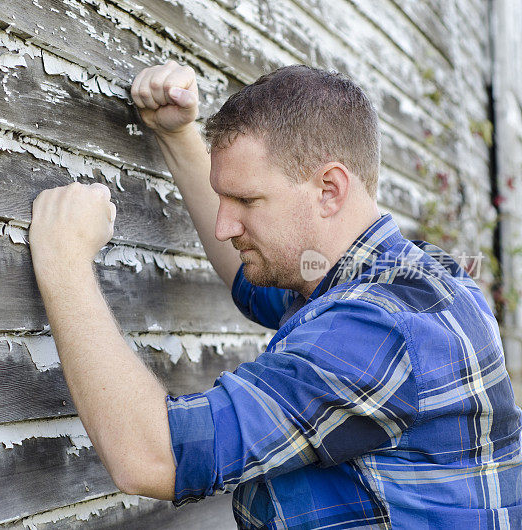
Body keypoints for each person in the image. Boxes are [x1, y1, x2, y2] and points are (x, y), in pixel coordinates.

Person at [28, 61, 522, 528]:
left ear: (330, 190)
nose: (225, 226)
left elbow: (153, 456)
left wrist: (64, 259)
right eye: (225, 198)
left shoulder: (381, 330)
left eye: (246, 200)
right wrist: (178, 137)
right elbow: (254, 286)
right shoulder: (409, 276)